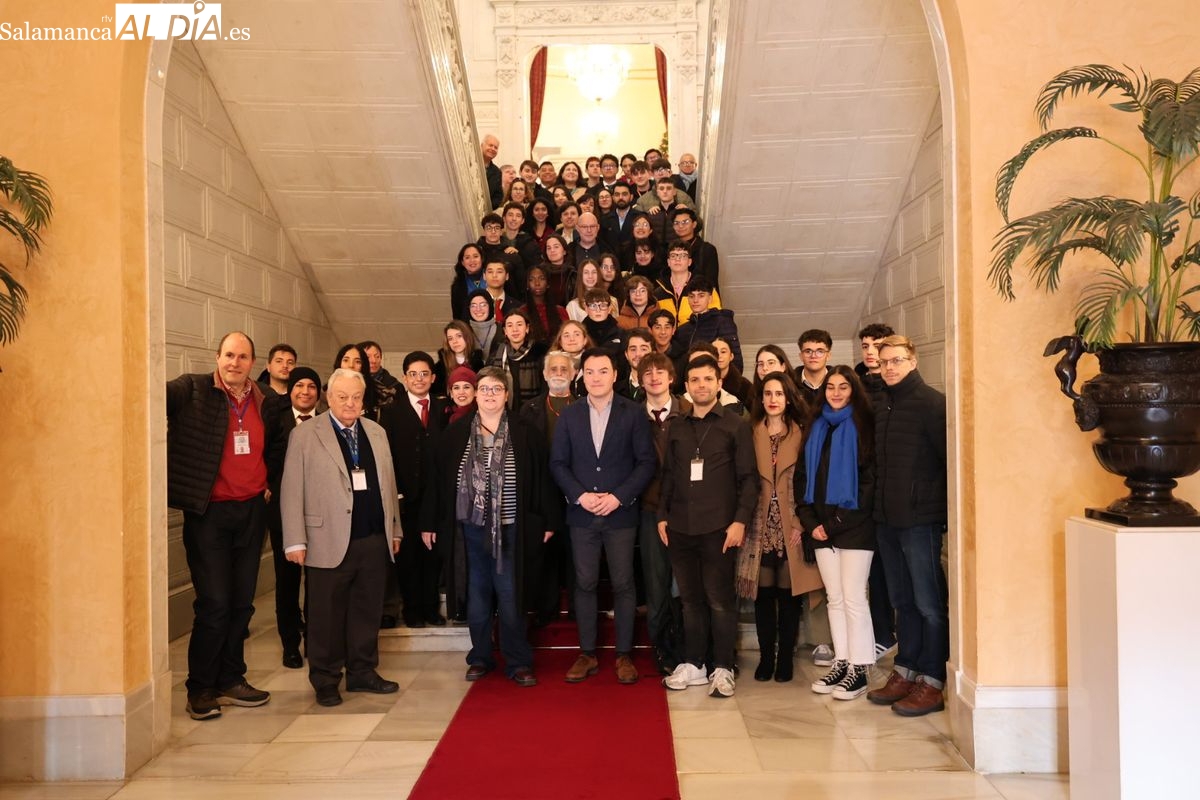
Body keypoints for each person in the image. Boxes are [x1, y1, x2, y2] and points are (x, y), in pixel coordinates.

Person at [422, 367, 561, 687]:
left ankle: (518, 660)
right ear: (474, 394)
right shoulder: (456, 434)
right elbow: (439, 482)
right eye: (483, 389)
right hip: (468, 531)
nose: (489, 395)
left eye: (496, 389)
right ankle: (480, 657)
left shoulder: (525, 432)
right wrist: (429, 522)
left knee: (511, 597)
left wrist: (549, 520)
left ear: (507, 394)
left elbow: (543, 479)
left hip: (513, 529)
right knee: (478, 596)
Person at [166, 331, 274, 721]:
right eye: (229, 355)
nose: (234, 362)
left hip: (250, 512)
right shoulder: (191, 390)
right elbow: (148, 395)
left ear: (252, 362)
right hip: (208, 513)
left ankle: (231, 678)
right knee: (214, 603)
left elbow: (278, 447)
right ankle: (200, 688)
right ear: (217, 357)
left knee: (242, 603)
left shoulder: (265, 400)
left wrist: (270, 486)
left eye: (243, 357)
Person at [281, 368, 402, 708]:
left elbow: (388, 485)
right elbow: (291, 490)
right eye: (342, 397)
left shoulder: (376, 432)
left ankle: (363, 671)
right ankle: (325, 679)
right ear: (328, 398)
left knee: (367, 610)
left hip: (372, 538)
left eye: (356, 397)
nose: (350, 403)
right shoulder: (306, 434)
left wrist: (394, 529)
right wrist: (295, 540)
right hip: (326, 539)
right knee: (326, 615)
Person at [550, 348, 657, 685]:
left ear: (615, 375)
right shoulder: (569, 414)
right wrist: (581, 496)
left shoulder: (634, 413)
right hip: (581, 515)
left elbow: (646, 463)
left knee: (625, 584)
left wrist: (618, 497)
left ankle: (624, 655)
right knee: (584, 584)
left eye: (603, 371)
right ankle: (587, 654)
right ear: (582, 376)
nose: (596, 377)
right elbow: (558, 463)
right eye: (590, 372)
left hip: (620, 514)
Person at [659, 355, 757, 698]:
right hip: (681, 527)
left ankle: (722, 667)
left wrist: (739, 521)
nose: (701, 385)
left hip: (720, 528)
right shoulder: (677, 425)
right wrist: (662, 516)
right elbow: (668, 476)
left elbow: (748, 480)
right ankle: (694, 664)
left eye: (707, 379)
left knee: (719, 601)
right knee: (690, 601)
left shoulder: (736, 425)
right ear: (685, 386)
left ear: (718, 383)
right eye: (695, 380)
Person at [865, 335, 948, 717]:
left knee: (929, 603)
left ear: (913, 361)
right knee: (902, 601)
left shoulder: (932, 404)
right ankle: (906, 670)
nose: (891, 367)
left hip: (920, 521)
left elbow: (949, 464)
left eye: (897, 360)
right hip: (887, 520)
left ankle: (932, 679)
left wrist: (933, 508)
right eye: (885, 362)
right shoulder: (882, 404)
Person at [796, 366, 877, 700]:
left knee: (854, 597)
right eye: (831, 387)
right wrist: (809, 519)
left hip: (854, 526)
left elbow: (869, 483)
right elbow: (802, 477)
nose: (837, 392)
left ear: (853, 390)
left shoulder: (863, 427)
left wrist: (832, 524)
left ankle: (860, 667)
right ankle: (842, 662)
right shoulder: (816, 426)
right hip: (820, 527)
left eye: (844, 387)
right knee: (835, 598)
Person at [735, 370, 814, 683]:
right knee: (763, 595)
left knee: (789, 596)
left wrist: (799, 522)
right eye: (767, 394)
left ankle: (785, 659)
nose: (773, 399)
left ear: (789, 397)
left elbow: (809, 481)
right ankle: (766, 657)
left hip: (790, 523)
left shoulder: (802, 432)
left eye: (779, 394)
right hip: (758, 522)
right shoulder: (750, 431)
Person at [378, 352, 447, 629]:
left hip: (437, 498)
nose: (419, 379)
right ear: (405, 378)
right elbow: (386, 456)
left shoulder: (444, 410)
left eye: (424, 374)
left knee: (433, 554)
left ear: (433, 377)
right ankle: (413, 610)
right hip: (405, 499)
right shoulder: (392, 412)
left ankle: (431, 608)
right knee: (408, 557)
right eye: (413, 374)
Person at [262, 366, 322, 668]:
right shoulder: (276, 421)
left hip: (319, 513)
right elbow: (263, 457)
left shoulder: (326, 424)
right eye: (300, 385)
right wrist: (269, 486)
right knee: (286, 579)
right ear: (291, 390)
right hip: (283, 510)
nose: (305, 391)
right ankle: (290, 644)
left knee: (316, 579)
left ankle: (314, 638)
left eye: (312, 386)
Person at [637, 353, 690, 674]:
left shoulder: (688, 412)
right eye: (648, 372)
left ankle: (689, 646)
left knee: (686, 584)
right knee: (656, 584)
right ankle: (662, 649)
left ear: (672, 377)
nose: (654, 376)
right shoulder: (631, 416)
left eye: (661, 371)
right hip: (648, 509)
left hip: (688, 511)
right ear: (640, 380)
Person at [519, 351, 578, 627]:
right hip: (542, 492)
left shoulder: (584, 406)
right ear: (544, 374)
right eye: (552, 368)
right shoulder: (528, 410)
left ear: (574, 373)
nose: (558, 372)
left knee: (575, 552)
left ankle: (578, 607)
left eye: (564, 369)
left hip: (577, 493)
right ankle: (547, 608)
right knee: (545, 552)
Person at [854, 322, 897, 661]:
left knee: (885, 568)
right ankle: (876, 630)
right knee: (868, 568)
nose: (870, 350)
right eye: (865, 344)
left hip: (887, 488)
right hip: (860, 485)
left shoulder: (894, 387)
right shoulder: (856, 384)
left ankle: (886, 632)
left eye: (876, 344)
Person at [673, 275, 742, 371]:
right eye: (691, 296)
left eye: (701, 295)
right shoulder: (682, 330)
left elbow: (736, 362)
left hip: (717, 382)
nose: (695, 300)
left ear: (710, 298)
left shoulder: (723, 322)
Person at [489, 308, 548, 409]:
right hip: (504, 411)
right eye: (510, 325)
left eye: (519, 324)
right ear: (505, 331)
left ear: (527, 328)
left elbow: (545, 389)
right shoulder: (496, 355)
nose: (515, 329)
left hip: (533, 410)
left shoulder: (540, 352)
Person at [655, 242, 723, 326]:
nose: (677, 259)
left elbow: (717, 318)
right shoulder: (658, 293)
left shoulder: (706, 288)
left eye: (683, 256)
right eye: (673, 256)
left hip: (698, 337)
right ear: (668, 262)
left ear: (689, 262)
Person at [669, 207, 720, 291]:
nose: (680, 226)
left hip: (699, 296)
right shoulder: (669, 249)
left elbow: (711, 281)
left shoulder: (707, 249)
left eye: (685, 222)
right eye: (676, 223)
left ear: (694, 224)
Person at [432, 320, 485, 398]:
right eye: (450, 339)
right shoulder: (439, 367)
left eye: (459, 336)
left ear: (467, 337)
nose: (455, 341)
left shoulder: (480, 365)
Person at [332, 344, 379, 420]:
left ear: (363, 366)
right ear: (339, 363)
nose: (351, 365)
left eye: (357, 361)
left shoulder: (377, 393)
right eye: (346, 360)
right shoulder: (326, 392)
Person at [523, 264, 568, 344]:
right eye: (532, 279)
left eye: (541, 279)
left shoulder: (560, 311)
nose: (537, 283)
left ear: (548, 284)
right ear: (527, 284)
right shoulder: (522, 312)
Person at [450, 243, 486, 323]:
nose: (472, 261)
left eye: (475, 256)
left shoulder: (492, 277)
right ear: (462, 262)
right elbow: (457, 315)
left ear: (482, 259)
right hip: (470, 328)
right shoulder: (457, 286)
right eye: (467, 258)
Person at [797, 329, 833, 406]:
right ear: (801, 356)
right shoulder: (789, 384)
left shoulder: (842, 382)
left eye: (820, 351)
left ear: (828, 356)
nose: (813, 356)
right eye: (808, 351)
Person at [360, 340, 400, 410]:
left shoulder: (395, 385)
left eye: (377, 356)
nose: (373, 361)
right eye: (367, 357)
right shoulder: (353, 382)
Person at [466, 289, 500, 358]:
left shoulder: (502, 330)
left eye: (483, 305)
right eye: (473, 305)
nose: (478, 309)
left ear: (490, 306)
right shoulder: (463, 331)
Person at [482, 134, 502, 209]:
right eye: (490, 145)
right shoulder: (471, 163)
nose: (493, 149)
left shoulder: (497, 172)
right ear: (481, 146)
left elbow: (498, 196)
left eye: (496, 147)